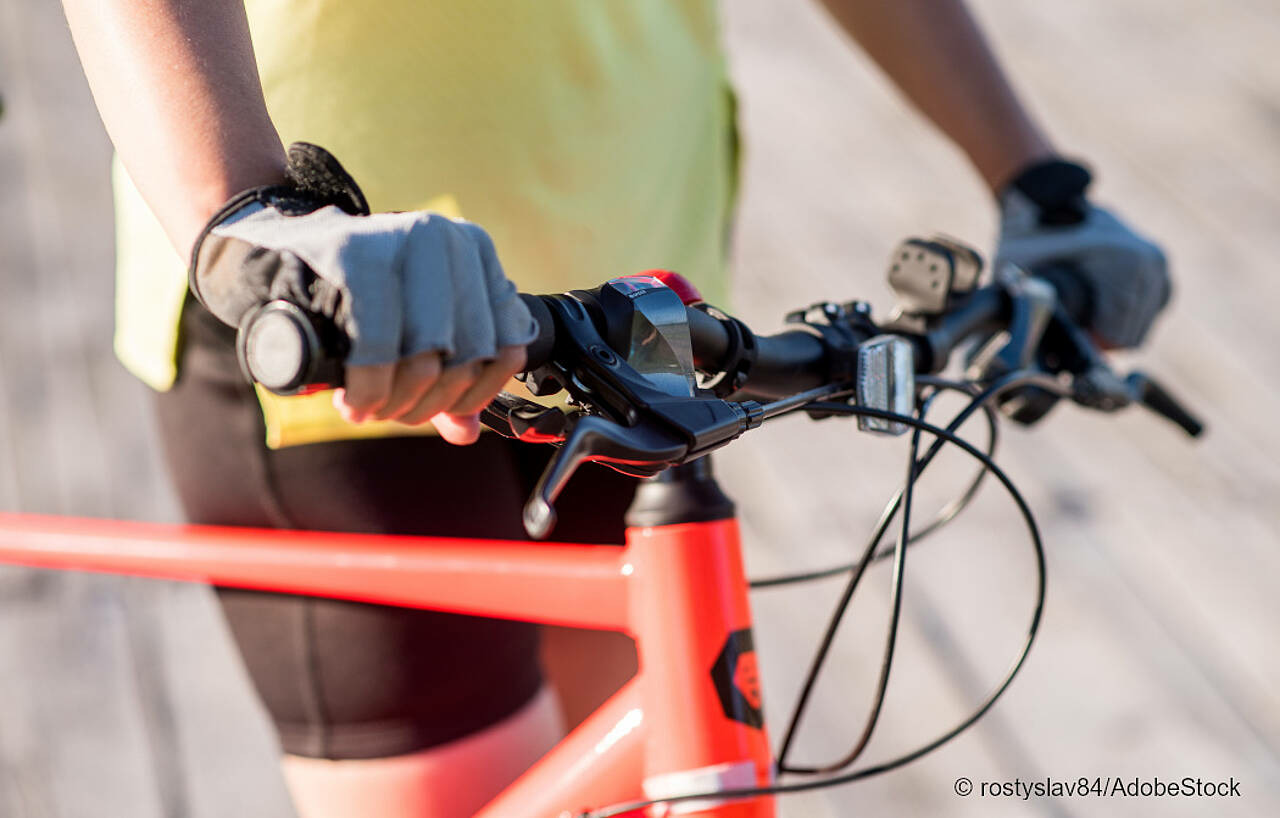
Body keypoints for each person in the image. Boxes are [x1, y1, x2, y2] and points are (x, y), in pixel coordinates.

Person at [60, 1, 1169, 816]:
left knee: (651, 780)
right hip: (347, 307)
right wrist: (242, 210)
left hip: (640, 292)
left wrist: (1032, 181)